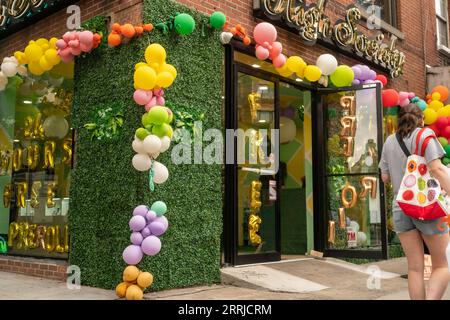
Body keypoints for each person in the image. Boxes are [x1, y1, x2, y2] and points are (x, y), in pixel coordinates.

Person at [379, 104, 450, 300]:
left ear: (400, 119)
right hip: (427, 207)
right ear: (421, 120)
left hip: (401, 206)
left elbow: (384, 177)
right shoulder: (425, 136)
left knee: (415, 268)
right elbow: (437, 169)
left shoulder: (389, 141)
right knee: (443, 265)